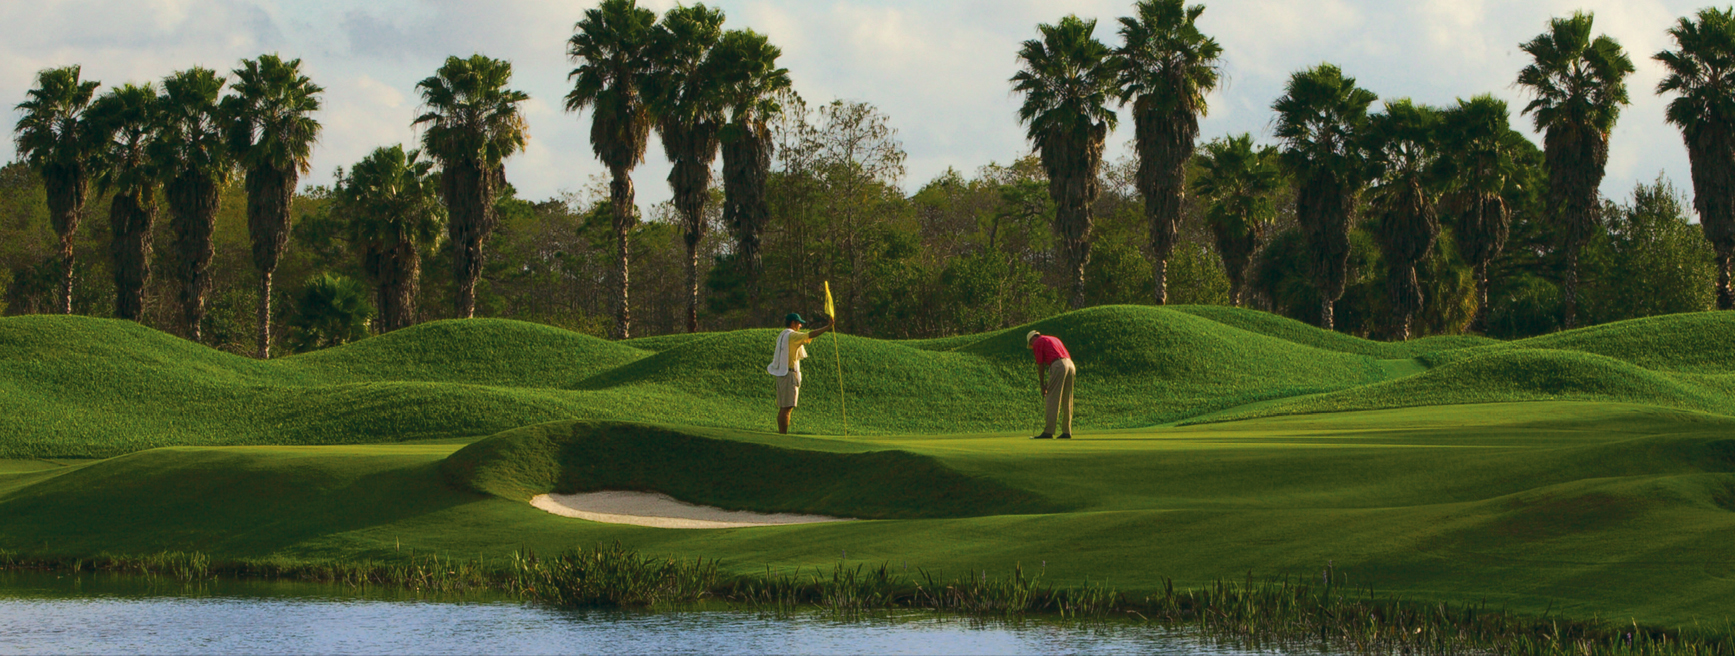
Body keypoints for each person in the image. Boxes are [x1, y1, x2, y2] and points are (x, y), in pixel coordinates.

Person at [766, 312, 833, 434]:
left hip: (782, 374)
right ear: (793, 323)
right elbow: (811, 334)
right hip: (789, 374)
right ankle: (783, 436)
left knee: (784, 408)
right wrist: (827, 327)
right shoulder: (792, 335)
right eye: (799, 323)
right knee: (787, 408)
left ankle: (782, 435)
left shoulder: (782, 335)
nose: (800, 326)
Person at [1027, 330, 1075, 440]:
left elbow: (1041, 365)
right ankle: (1067, 431)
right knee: (1067, 399)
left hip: (1058, 365)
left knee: (1052, 399)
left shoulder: (1038, 342)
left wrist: (1042, 385)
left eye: (1031, 344)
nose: (1032, 346)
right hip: (1070, 365)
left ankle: (1048, 431)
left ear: (1032, 339)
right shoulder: (1053, 338)